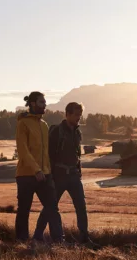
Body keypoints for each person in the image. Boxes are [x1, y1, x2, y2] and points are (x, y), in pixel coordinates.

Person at [15, 91, 63, 243]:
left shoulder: (44, 125)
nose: (45, 105)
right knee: (24, 209)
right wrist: (36, 169)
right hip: (26, 174)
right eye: (42, 102)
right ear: (33, 104)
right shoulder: (23, 123)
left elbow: (46, 152)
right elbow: (22, 150)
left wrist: (48, 171)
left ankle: (58, 239)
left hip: (45, 174)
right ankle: (22, 241)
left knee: (52, 206)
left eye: (45, 102)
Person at [49, 102, 94, 246]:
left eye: (80, 115)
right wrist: (50, 176)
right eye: (76, 115)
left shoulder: (77, 132)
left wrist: (79, 172)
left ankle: (84, 238)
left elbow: (77, 155)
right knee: (50, 207)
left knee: (81, 206)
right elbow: (50, 154)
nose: (78, 118)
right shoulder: (56, 131)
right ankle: (43, 236)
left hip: (74, 175)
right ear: (67, 114)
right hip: (59, 175)